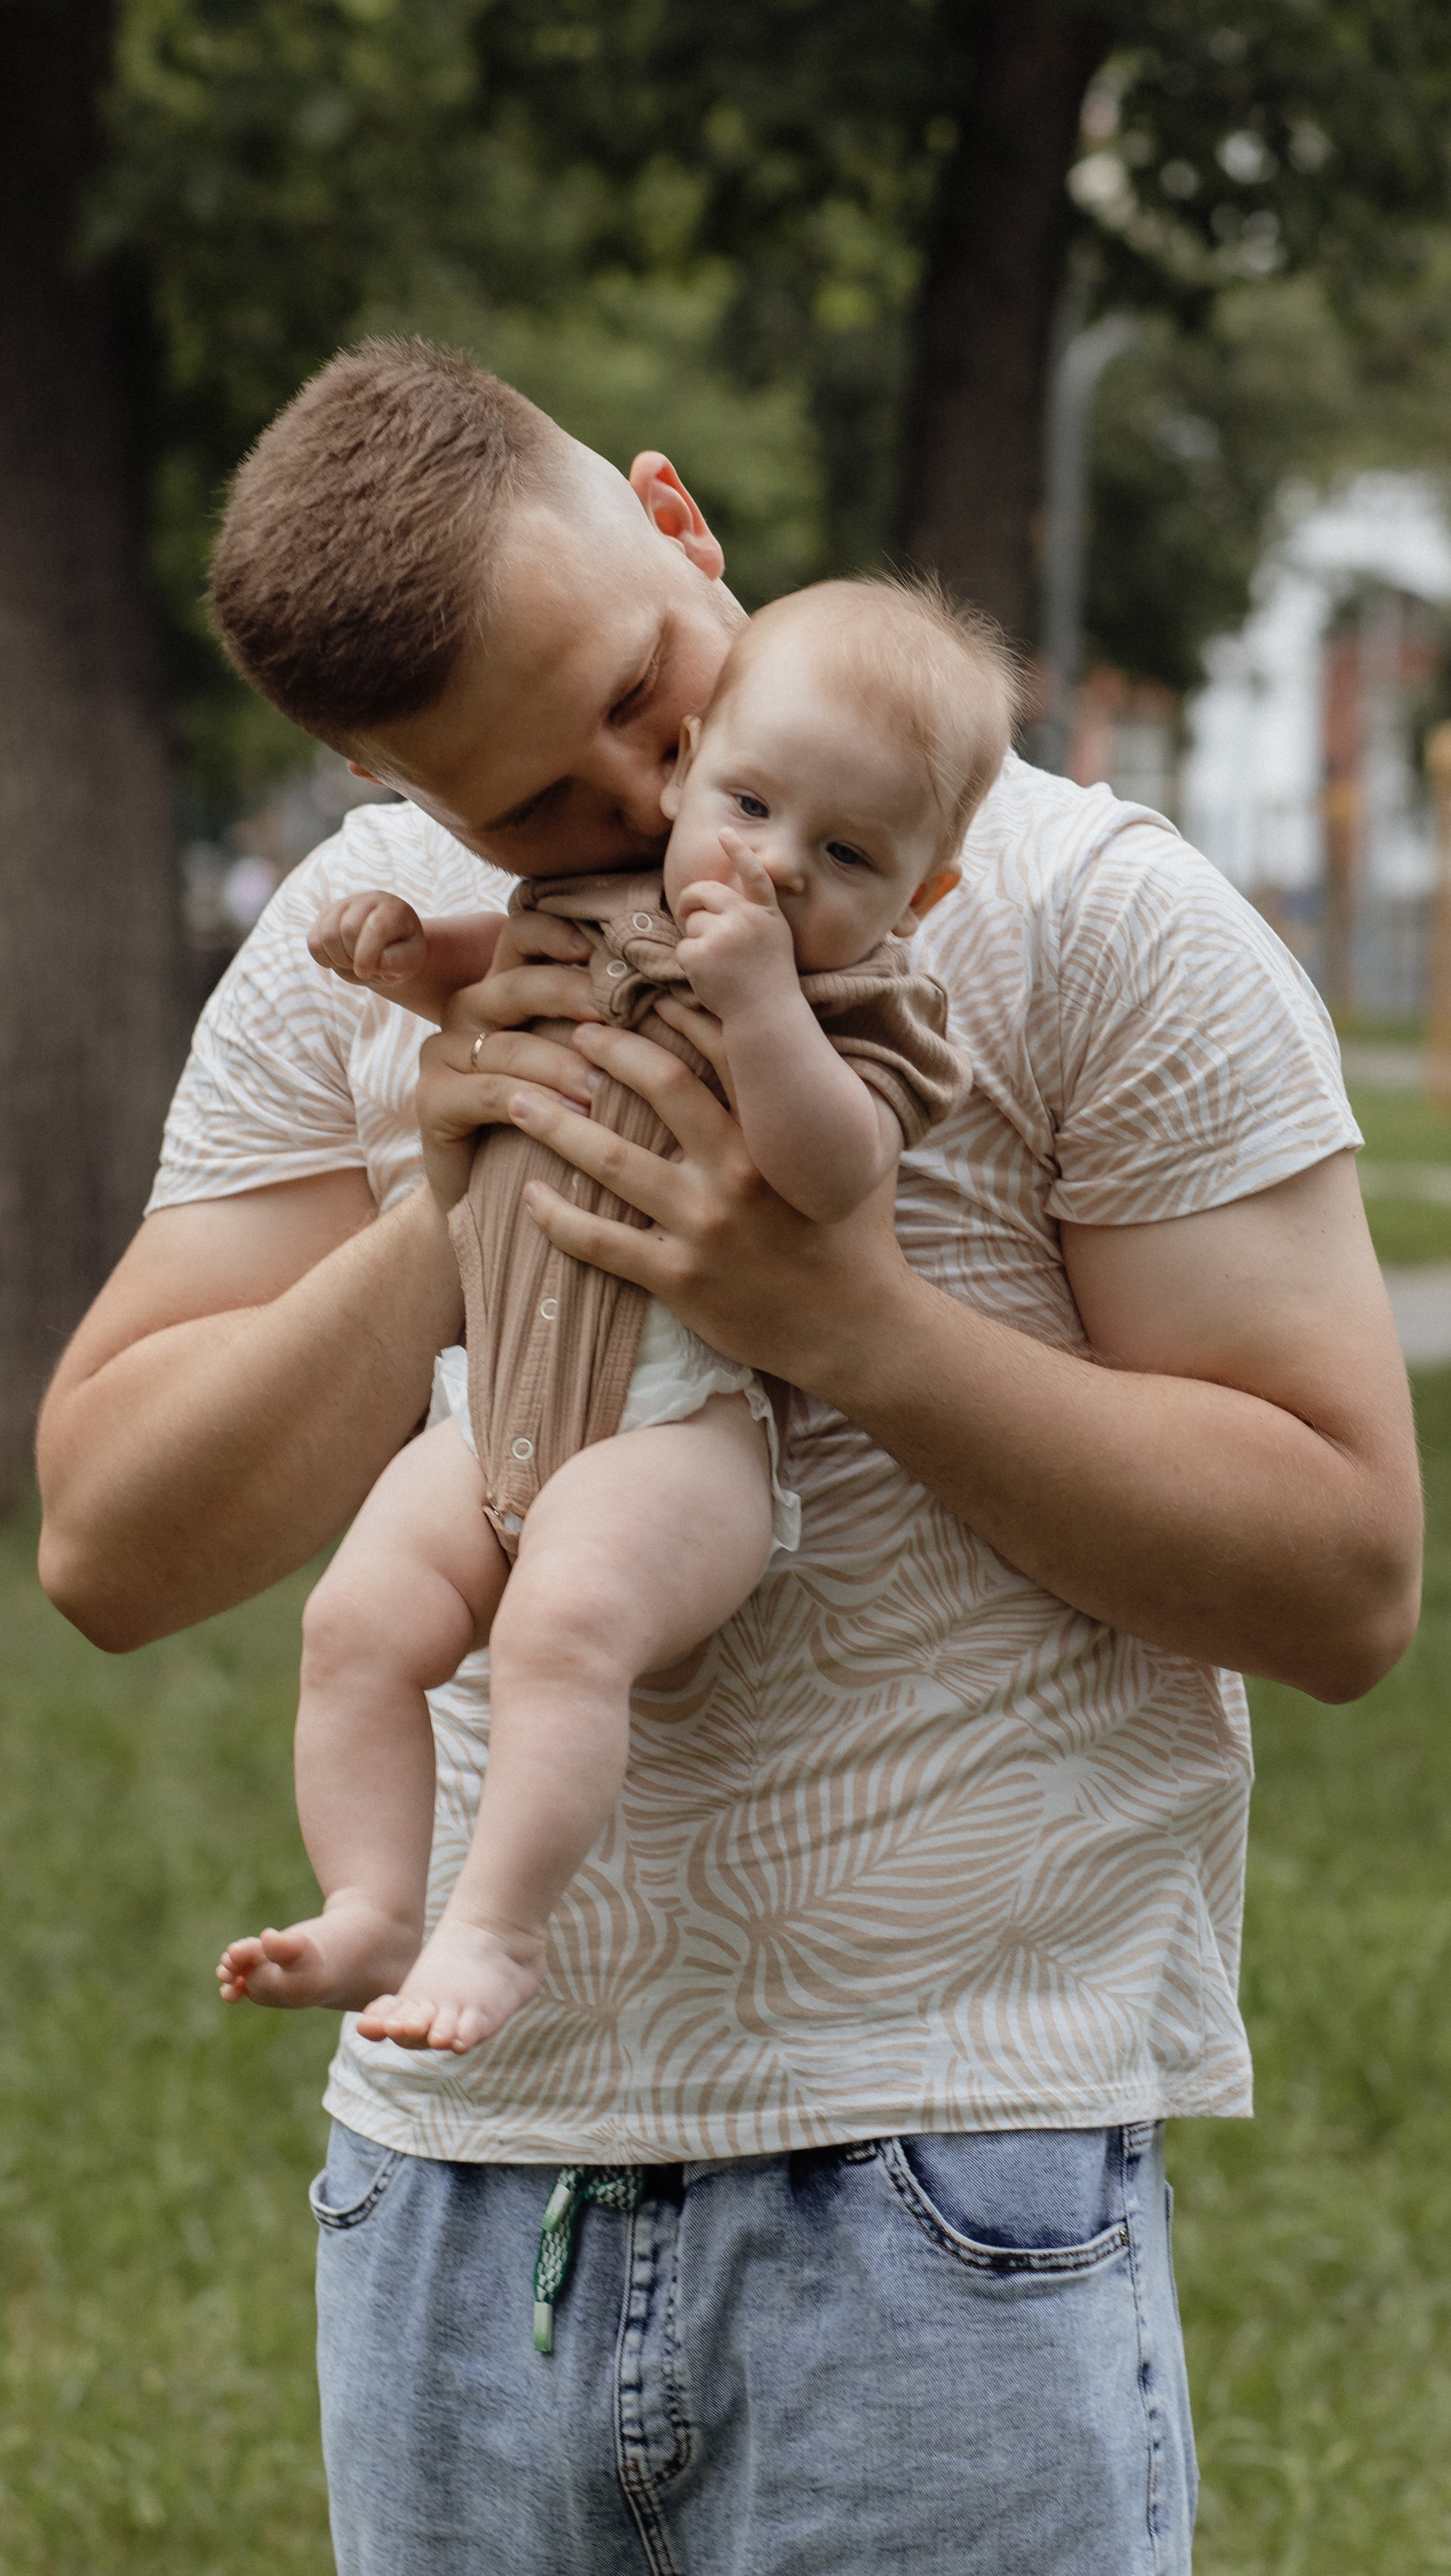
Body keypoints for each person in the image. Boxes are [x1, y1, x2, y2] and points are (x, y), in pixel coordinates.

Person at [36, 339, 1421, 2574]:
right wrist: (451, 1200)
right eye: (541, 808)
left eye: (652, 696)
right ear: (386, 787)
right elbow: (106, 1544)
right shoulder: (366, 955)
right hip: (449, 2182)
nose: (654, 803)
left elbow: (1348, 1581)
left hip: (938, 2186)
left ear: (680, 522)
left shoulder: (1098, 919)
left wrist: (853, 1332)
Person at [215, 578, 999, 2062]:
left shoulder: (862, 1004)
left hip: (677, 1429)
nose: (770, 870)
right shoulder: (580, 891)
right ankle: (374, 1904)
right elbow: (487, 955)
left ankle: (495, 1933)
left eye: (843, 854)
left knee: (562, 1629)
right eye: (751, 806)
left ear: (923, 892)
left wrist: (763, 1004)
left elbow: (831, 1172)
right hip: (491, 1399)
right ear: (689, 765)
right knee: (356, 1618)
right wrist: (400, 951)